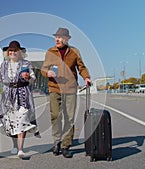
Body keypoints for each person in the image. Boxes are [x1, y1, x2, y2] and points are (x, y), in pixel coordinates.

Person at [41, 28, 91, 158]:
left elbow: (81, 67)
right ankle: (57, 141)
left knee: (69, 117)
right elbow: (43, 69)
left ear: (67, 39)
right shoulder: (50, 52)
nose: (57, 39)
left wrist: (86, 77)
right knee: (56, 115)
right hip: (54, 88)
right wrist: (48, 73)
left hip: (70, 89)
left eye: (60, 37)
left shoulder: (74, 51)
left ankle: (66, 145)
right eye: (56, 37)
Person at [0, 40, 39, 158]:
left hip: (22, 95)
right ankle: (15, 145)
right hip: (8, 95)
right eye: (10, 50)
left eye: (15, 50)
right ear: (8, 52)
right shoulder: (4, 65)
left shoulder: (26, 64)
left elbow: (33, 78)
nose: (12, 52)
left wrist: (28, 78)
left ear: (19, 52)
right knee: (11, 123)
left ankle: (20, 149)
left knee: (22, 120)